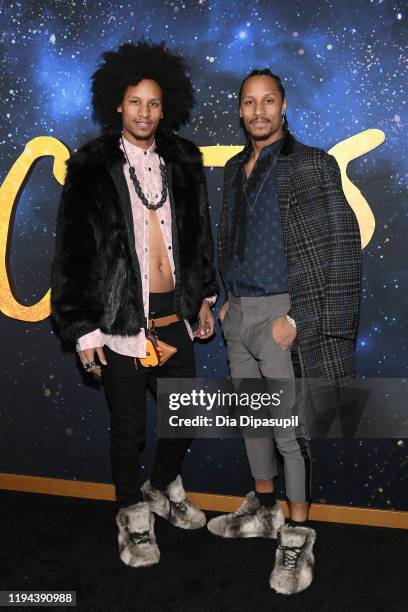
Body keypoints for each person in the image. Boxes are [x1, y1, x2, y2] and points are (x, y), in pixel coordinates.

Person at [51, 41, 218, 568]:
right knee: (128, 430)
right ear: (117, 106)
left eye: (152, 103)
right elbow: (74, 252)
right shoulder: (91, 164)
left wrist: (206, 298)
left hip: (175, 316)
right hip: (120, 320)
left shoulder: (185, 160)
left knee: (184, 418)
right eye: (134, 102)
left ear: (164, 108)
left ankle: (163, 487)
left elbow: (198, 237)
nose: (144, 112)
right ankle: (133, 517)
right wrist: (83, 331)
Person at [208, 69, 362, 594]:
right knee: (254, 423)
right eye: (249, 103)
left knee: (288, 434)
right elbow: (231, 238)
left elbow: (341, 248)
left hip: (281, 319)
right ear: (241, 109)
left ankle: (297, 533)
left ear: (283, 104)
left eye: (267, 101)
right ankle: (266, 510)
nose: (258, 112)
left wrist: (298, 319)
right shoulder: (234, 168)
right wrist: (224, 299)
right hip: (239, 316)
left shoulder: (314, 164)